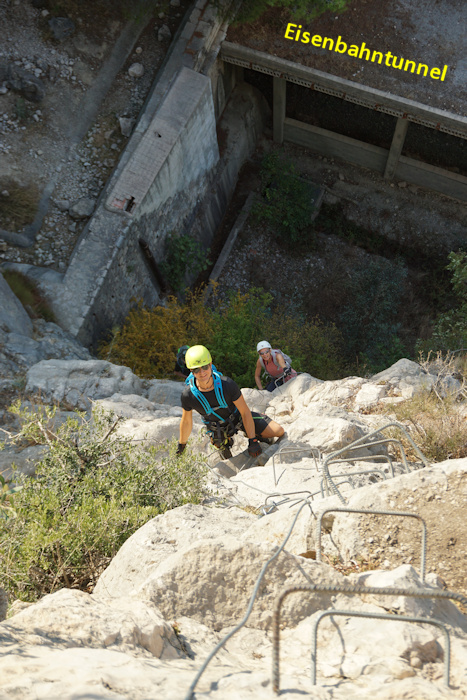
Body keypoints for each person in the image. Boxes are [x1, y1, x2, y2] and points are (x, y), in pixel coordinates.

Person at [177, 345, 284, 460]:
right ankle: (224, 445)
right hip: (216, 427)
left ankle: (256, 434)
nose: (202, 372)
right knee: (221, 446)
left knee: (278, 431)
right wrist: (181, 445)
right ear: (191, 370)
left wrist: (252, 440)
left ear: (210, 364)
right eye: (197, 369)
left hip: (238, 417)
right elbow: (186, 421)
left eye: (205, 367)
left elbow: (245, 412)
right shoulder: (188, 395)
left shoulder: (227, 385)